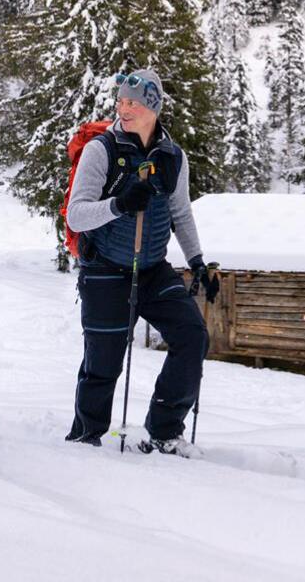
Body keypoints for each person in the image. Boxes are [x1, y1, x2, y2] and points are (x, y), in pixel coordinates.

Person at [62, 67, 219, 453]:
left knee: (192, 335)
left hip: (151, 269)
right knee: (105, 362)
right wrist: (119, 204)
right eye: (121, 101)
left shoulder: (173, 157)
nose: (124, 108)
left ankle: (165, 430)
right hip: (105, 270)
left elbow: (181, 214)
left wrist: (197, 261)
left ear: (154, 106)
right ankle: (85, 437)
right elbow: (76, 215)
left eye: (132, 102)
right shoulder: (102, 150)